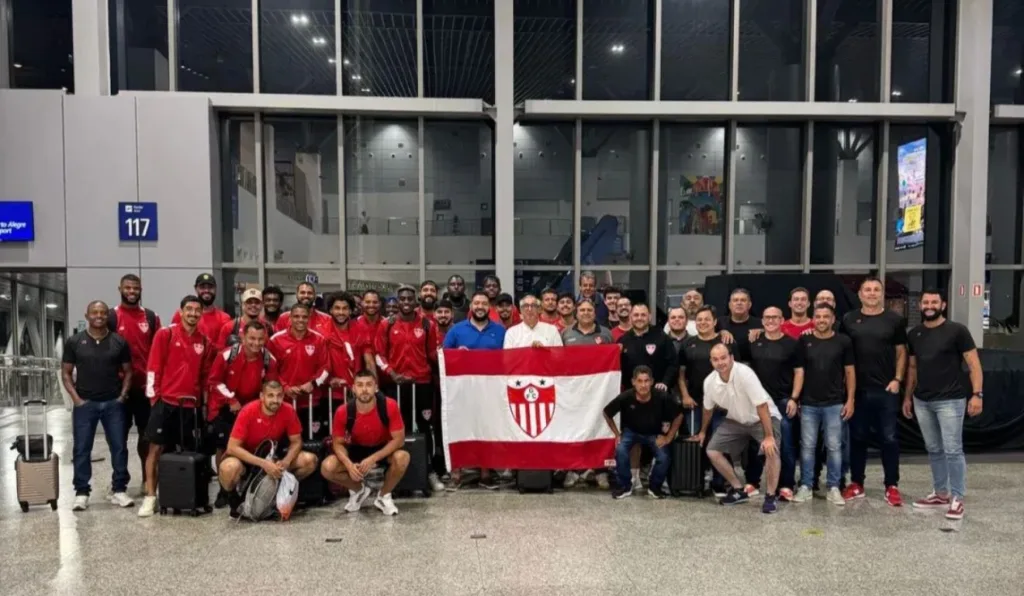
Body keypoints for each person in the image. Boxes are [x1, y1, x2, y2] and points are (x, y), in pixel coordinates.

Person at [903, 289, 983, 520]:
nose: (929, 305)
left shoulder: (957, 331)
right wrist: (908, 396)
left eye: (934, 302)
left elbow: (974, 365)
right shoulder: (915, 334)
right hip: (922, 400)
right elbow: (913, 368)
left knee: (952, 449)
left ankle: (957, 497)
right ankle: (940, 493)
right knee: (934, 449)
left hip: (950, 400)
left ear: (943, 305)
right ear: (920, 306)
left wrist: (977, 394)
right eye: (925, 302)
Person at [139, 295, 212, 517]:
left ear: (201, 313)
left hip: (191, 407)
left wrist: (204, 405)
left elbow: (205, 376)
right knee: (156, 450)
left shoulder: (204, 341)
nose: (193, 314)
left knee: (189, 452)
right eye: (188, 309)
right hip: (165, 404)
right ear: (180, 312)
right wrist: (155, 401)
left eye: (197, 310)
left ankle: (186, 495)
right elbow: (153, 368)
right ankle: (151, 497)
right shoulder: (166, 334)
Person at [691, 344, 783, 512]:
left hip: (762, 418)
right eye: (716, 359)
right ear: (711, 362)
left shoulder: (745, 374)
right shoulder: (709, 382)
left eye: (723, 358)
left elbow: (762, 406)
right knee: (712, 451)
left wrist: (768, 436)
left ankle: (770, 496)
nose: (720, 362)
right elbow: (707, 409)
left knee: (772, 450)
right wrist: (703, 431)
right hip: (736, 420)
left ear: (731, 357)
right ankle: (738, 490)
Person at [62, 300, 134, 511]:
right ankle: (82, 492)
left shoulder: (119, 342)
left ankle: (119, 490)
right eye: (95, 312)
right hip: (86, 404)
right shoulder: (75, 342)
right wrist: (76, 399)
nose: (99, 316)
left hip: (113, 403)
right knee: (82, 449)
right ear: (87, 315)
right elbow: (66, 373)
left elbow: (129, 371)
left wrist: (122, 396)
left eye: (103, 312)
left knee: (119, 448)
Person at [842, 277, 907, 506]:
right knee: (858, 438)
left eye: (876, 290)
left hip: (886, 389)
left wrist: (898, 379)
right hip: (857, 390)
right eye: (867, 290)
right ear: (859, 294)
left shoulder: (894, 320)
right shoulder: (849, 319)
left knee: (889, 438)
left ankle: (891, 485)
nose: (871, 293)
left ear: (882, 294)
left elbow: (901, 352)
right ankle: (857, 483)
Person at [373, 285, 443, 492]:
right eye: (402, 298)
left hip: (422, 384)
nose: (405, 302)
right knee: (396, 430)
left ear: (417, 300)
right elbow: (379, 354)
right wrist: (391, 373)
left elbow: (432, 353)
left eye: (410, 299)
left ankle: (429, 471)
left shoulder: (427, 324)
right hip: (396, 385)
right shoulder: (387, 324)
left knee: (425, 428)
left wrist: (449, 359)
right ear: (397, 301)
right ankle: (394, 473)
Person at [218, 380, 318, 518]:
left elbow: (296, 442)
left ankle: (276, 493)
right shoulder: (248, 411)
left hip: (272, 457)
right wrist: (263, 464)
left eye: (279, 396)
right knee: (229, 468)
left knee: (309, 460)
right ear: (261, 396)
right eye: (270, 395)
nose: (275, 400)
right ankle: (234, 499)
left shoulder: (288, 410)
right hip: (246, 459)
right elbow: (232, 447)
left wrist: (286, 461)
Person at [207, 320, 280, 508]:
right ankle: (225, 490)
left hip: (253, 409)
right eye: (252, 339)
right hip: (227, 407)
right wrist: (231, 400)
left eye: (260, 339)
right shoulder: (226, 356)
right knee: (224, 447)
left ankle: (249, 483)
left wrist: (258, 405)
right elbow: (214, 382)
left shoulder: (268, 359)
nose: (256, 343)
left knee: (251, 444)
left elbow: (270, 387)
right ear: (242, 337)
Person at [321, 370, 409, 516]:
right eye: (360, 385)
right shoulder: (343, 411)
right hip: (356, 448)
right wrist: (349, 465)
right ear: (353, 388)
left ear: (376, 387)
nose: (364, 389)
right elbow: (337, 444)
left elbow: (399, 440)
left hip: (382, 448)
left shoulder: (390, 405)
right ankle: (358, 490)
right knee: (327, 467)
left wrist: (373, 458)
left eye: (369, 385)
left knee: (403, 457)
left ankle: (383, 496)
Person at [442, 291, 506, 489]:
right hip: (462, 391)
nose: (480, 306)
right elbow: (443, 357)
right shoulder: (456, 330)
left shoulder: (500, 330)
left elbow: (508, 358)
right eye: (477, 303)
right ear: (471, 306)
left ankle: (485, 472)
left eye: (484, 303)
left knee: (486, 428)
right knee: (460, 426)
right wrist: (456, 355)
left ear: (489, 307)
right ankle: (457, 472)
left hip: (490, 390)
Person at [793, 303, 855, 506]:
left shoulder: (843, 341)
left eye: (825, 317)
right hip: (809, 404)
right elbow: (799, 372)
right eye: (818, 316)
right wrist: (797, 398)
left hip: (835, 404)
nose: (821, 320)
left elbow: (850, 372)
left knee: (834, 447)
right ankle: (806, 485)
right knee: (808, 446)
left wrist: (850, 399)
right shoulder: (805, 340)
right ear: (813, 318)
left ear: (832, 319)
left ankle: (834, 487)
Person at [745, 306, 803, 501]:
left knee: (784, 443)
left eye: (775, 318)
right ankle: (753, 482)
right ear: (762, 321)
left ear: (781, 320)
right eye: (767, 317)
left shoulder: (792, 344)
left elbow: (799, 372)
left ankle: (786, 484)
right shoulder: (754, 342)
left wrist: (794, 398)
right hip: (758, 402)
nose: (770, 321)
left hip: (782, 401)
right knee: (756, 443)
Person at [108, 273, 161, 482]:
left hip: (144, 389)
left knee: (147, 437)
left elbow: (159, 350)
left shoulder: (150, 316)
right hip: (119, 389)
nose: (131, 292)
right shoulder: (112, 317)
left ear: (141, 290)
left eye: (135, 288)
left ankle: (147, 479)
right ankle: (119, 482)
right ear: (120, 289)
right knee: (118, 439)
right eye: (127, 288)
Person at [677, 305, 734, 495]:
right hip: (695, 403)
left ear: (715, 322)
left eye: (707, 319)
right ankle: (696, 482)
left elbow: (736, 373)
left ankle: (720, 483)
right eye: (699, 320)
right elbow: (681, 374)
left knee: (720, 443)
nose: (703, 323)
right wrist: (684, 395)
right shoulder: (688, 344)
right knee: (697, 442)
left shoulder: (725, 342)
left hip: (721, 405)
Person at [603, 366, 683, 499]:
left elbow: (679, 415)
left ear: (652, 381)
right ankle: (625, 486)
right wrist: (617, 434)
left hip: (653, 433)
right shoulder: (626, 396)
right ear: (633, 382)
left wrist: (669, 437)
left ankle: (654, 487)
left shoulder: (662, 396)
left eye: (646, 381)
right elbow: (606, 413)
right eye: (639, 381)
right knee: (621, 449)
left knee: (664, 457)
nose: (643, 385)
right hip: (631, 432)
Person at [267, 303, 330, 439]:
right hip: (282, 401)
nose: (300, 320)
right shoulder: (275, 340)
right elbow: (270, 370)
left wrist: (312, 384)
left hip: (311, 401)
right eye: (296, 316)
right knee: (284, 442)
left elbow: (325, 368)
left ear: (309, 318)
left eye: (304, 317)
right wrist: (285, 387)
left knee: (311, 443)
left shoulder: (319, 339)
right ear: (290, 318)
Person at [171, 273, 232, 343]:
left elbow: (225, 348)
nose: (206, 290)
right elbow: (173, 341)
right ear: (195, 288)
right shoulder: (182, 314)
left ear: (215, 289)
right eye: (202, 287)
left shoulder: (224, 318)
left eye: (210, 287)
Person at [323, 292, 363, 391]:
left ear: (350, 311)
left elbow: (368, 359)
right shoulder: (322, 332)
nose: (341, 312)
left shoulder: (359, 330)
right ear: (331, 310)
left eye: (345, 308)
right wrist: (329, 379)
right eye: (337, 308)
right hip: (330, 392)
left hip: (356, 390)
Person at [719, 288, 761, 363]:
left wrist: (763, 331)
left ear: (749, 305)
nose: (739, 303)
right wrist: (720, 332)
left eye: (743, 300)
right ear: (729, 305)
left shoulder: (760, 324)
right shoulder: (720, 322)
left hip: (753, 369)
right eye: (735, 300)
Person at [352, 289, 385, 374]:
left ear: (380, 304)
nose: (371, 305)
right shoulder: (354, 324)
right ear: (362, 303)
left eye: (375, 302)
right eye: (368, 302)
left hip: (387, 377)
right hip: (362, 377)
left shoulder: (387, 324)